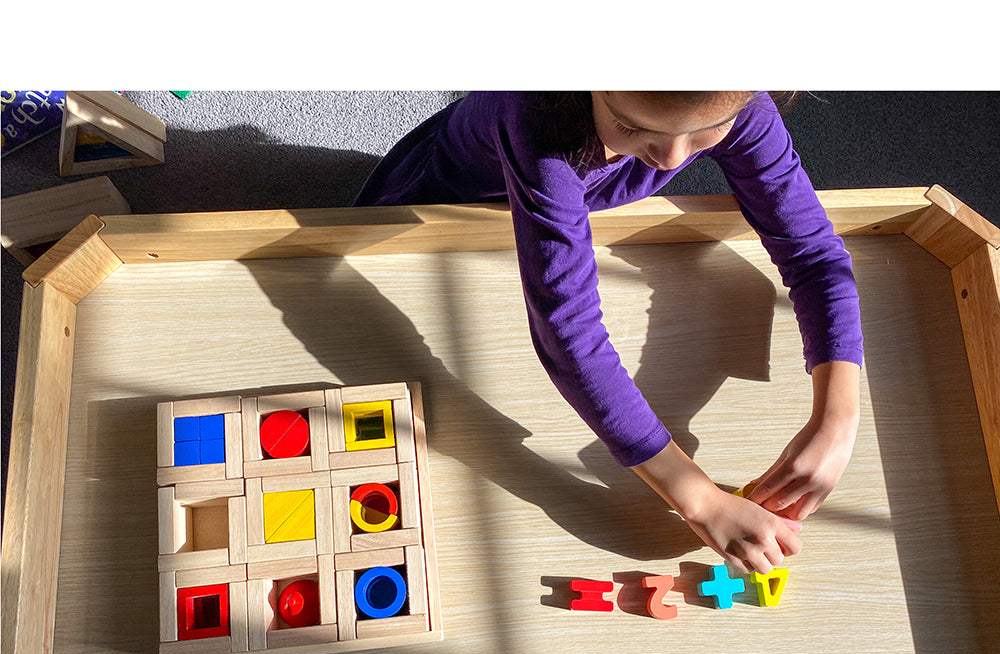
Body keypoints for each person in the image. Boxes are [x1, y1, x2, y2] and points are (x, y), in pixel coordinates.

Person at [354, 91, 863, 576]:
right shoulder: (536, 116)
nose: (670, 159)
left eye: (706, 131)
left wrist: (837, 419)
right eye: (632, 126)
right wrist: (696, 497)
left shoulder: (739, 103)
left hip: (573, 200)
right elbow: (567, 330)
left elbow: (814, 253)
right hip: (446, 206)